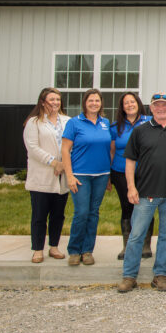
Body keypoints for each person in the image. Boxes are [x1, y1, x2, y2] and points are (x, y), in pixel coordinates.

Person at [117, 93, 166, 293]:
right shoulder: (140, 130)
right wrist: (131, 187)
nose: (160, 108)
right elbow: (130, 161)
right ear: (151, 108)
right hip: (145, 193)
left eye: (164, 105)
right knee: (136, 235)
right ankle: (129, 276)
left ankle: (160, 274)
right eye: (157, 105)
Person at [61, 89, 112, 267]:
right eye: (91, 100)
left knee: (93, 213)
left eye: (97, 100)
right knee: (81, 213)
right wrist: (69, 175)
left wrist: (109, 176)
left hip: (102, 175)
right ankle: (74, 250)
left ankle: (87, 250)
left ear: (101, 103)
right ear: (85, 103)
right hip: (80, 175)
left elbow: (109, 149)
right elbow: (65, 150)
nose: (94, 104)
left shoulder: (105, 123)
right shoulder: (74, 123)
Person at [23, 88, 70, 263]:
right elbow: (33, 148)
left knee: (58, 215)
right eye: (51, 99)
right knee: (39, 216)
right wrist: (54, 162)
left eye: (58, 99)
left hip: (62, 177)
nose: (55, 102)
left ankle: (54, 247)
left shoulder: (67, 121)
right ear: (43, 102)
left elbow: (72, 145)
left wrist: (63, 164)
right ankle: (37, 249)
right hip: (42, 177)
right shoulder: (34, 122)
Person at [110, 92, 152, 261]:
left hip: (145, 172)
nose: (129, 105)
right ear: (122, 107)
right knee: (127, 207)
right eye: (126, 103)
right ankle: (127, 246)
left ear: (138, 103)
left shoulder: (150, 121)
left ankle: (145, 244)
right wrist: (109, 176)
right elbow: (112, 150)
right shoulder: (116, 126)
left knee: (146, 207)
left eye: (132, 102)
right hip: (121, 172)